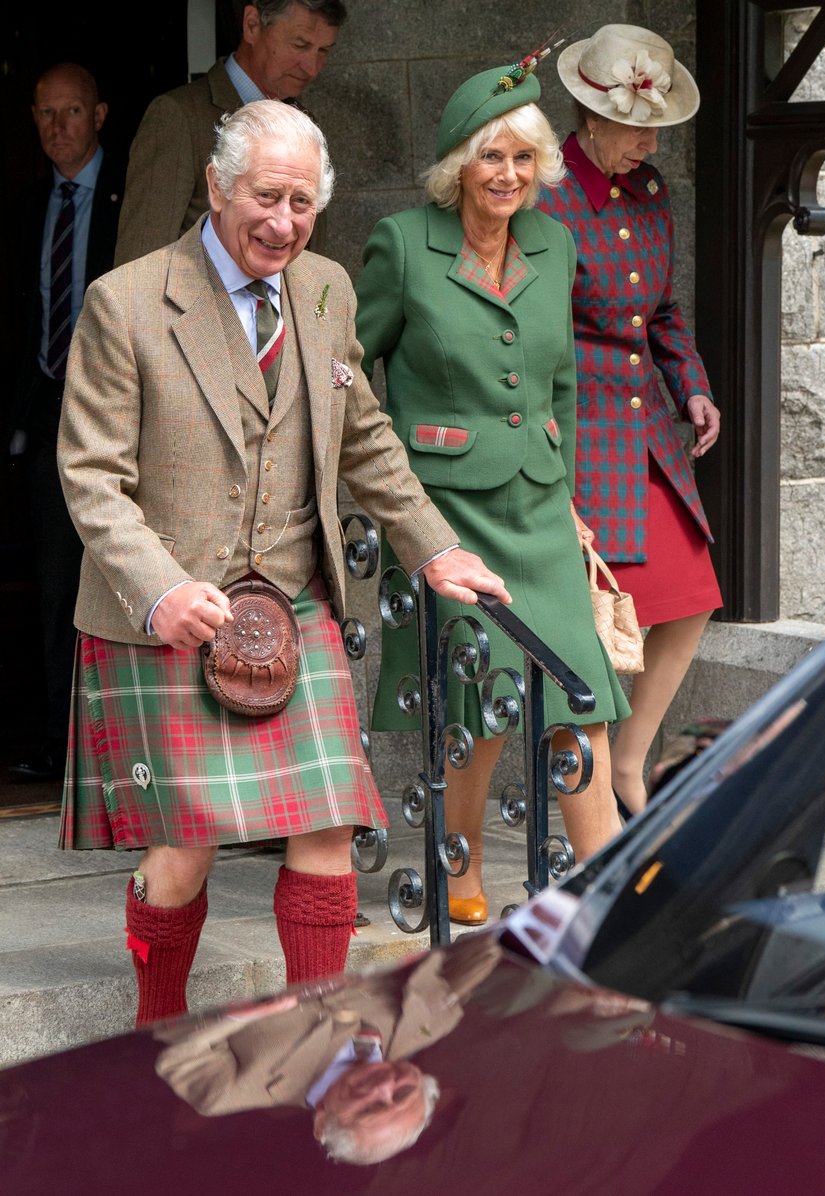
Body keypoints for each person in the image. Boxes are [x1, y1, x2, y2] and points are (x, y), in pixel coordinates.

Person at [56, 98, 510, 1027]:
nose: (283, 222)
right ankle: (159, 1032)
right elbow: (92, 478)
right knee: (183, 851)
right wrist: (162, 592)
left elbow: (368, 440)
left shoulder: (326, 288)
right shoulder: (128, 301)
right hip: (166, 612)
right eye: (267, 196)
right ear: (218, 186)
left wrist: (438, 549)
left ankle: (325, 1040)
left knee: (329, 822)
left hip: (290, 609)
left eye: (303, 203)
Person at [354, 62, 630, 926]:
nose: (509, 175)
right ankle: (455, 862)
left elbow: (561, 390)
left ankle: (609, 894)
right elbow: (351, 369)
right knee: (483, 696)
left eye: (523, 157)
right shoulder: (403, 244)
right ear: (456, 168)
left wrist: (572, 495)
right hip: (448, 513)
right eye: (490, 159)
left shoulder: (557, 245)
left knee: (582, 701)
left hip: (541, 513)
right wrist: (387, 483)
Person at [537, 24, 722, 817]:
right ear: (590, 116)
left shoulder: (651, 192)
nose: (651, 140)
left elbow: (664, 311)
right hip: (580, 432)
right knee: (600, 618)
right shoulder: (544, 195)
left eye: (658, 126)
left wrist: (695, 389)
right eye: (640, 125)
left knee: (693, 593)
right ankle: (587, 776)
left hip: (646, 428)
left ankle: (627, 763)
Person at [8, 62, 124, 782]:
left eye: (72, 112)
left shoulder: (130, 195)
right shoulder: (26, 209)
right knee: (56, 581)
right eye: (45, 114)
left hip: (117, 404)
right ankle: (62, 740)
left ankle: (119, 746)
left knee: (120, 577)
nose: (57, 127)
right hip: (50, 406)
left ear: (100, 115)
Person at [154, 933, 501, 1164]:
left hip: (223, 944)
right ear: (419, 1076)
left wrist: (244, 1014)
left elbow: (175, 1041)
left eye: (370, 1109)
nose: (384, 1087)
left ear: (323, 1125)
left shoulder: (232, 1092)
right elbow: (484, 947)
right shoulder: (432, 1024)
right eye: (403, 1093)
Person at [113, 0, 344, 266]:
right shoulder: (179, 116)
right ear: (252, 25)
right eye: (300, 45)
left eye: (324, 50)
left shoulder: (305, 123)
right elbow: (139, 266)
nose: (312, 67)